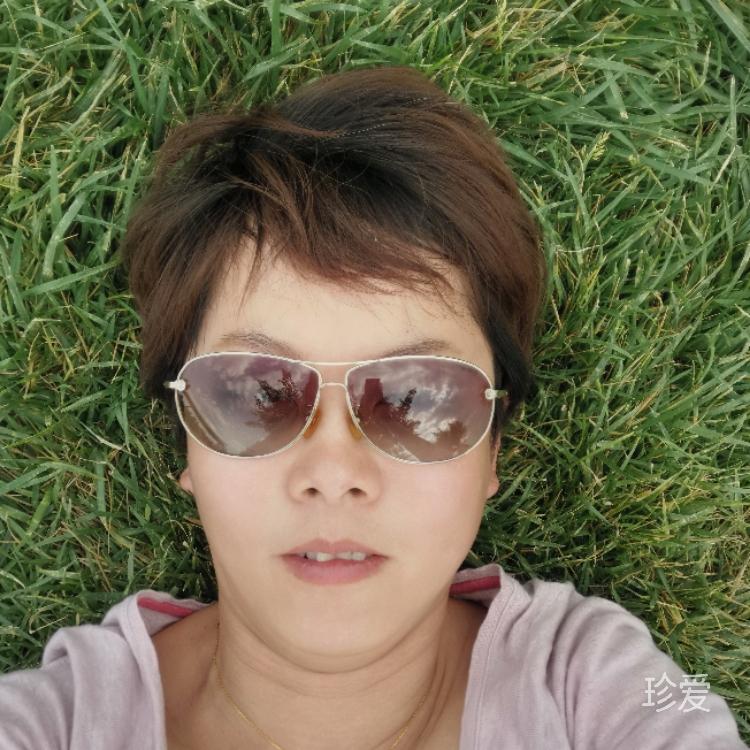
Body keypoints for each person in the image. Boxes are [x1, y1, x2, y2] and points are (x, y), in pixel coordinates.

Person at [1, 65, 746, 750]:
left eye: (417, 397)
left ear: (493, 446)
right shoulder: (53, 724)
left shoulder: (596, 686)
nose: (334, 472)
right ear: (186, 440)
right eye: (256, 394)